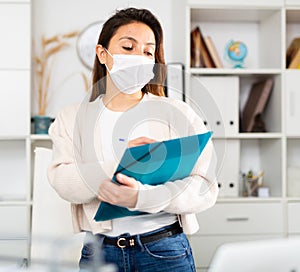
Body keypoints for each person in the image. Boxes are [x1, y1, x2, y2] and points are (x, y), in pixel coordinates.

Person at [47, 7, 219, 272]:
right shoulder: (72, 118)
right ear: (102, 54)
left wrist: (144, 197)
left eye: (148, 51)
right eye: (128, 47)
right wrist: (120, 162)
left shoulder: (178, 113)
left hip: (164, 250)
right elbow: (62, 182)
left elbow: (205, 188)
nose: (139, 57)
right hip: (100, 253)